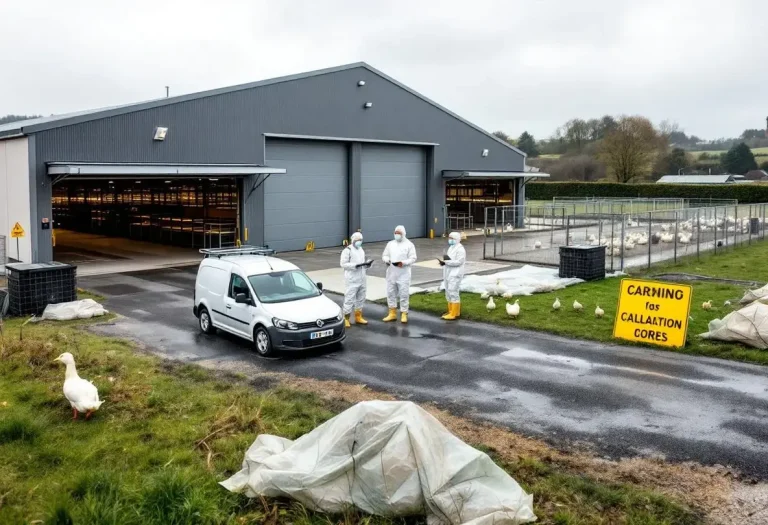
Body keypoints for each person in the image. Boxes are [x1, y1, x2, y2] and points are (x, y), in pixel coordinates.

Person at [382, 225, 417, 324]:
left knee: (404, 294)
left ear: (403, 234)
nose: (397, 235)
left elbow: (413, 258)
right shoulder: (390, 244)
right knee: (390, 293)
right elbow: (384, 255)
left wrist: (403, 263)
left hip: (403, 273)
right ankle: (392, 313)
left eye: (399, 233)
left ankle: (404, 313)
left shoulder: (409, 245)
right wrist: (387, 260)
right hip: (391, 272)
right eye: (395, 233)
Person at [339, 232, 370, 327]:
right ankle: (346, 318)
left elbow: (362, 263)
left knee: (361, 298)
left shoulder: (361, 250)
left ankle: (358, 316)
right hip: (352, 279)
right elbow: (343, 264)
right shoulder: (347, 250)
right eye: (357, 240)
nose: (359, 242)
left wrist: (366, 265)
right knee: (349, 298)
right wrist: (355, 265)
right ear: (353, 240)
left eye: (360, 240)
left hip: (362, 278)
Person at [439, 231, 466, 321]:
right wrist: (444, 262)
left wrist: (446, 262)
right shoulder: (451, 248)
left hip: (455, 273)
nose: (450, 240)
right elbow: (449, 260)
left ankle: (454, 313)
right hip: (448, 272)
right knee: (448, 291)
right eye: (449, 238)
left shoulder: (460, 249)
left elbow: (459, 262)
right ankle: (451, 311)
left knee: (453, 291)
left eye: (452, 238)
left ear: (457, 239)